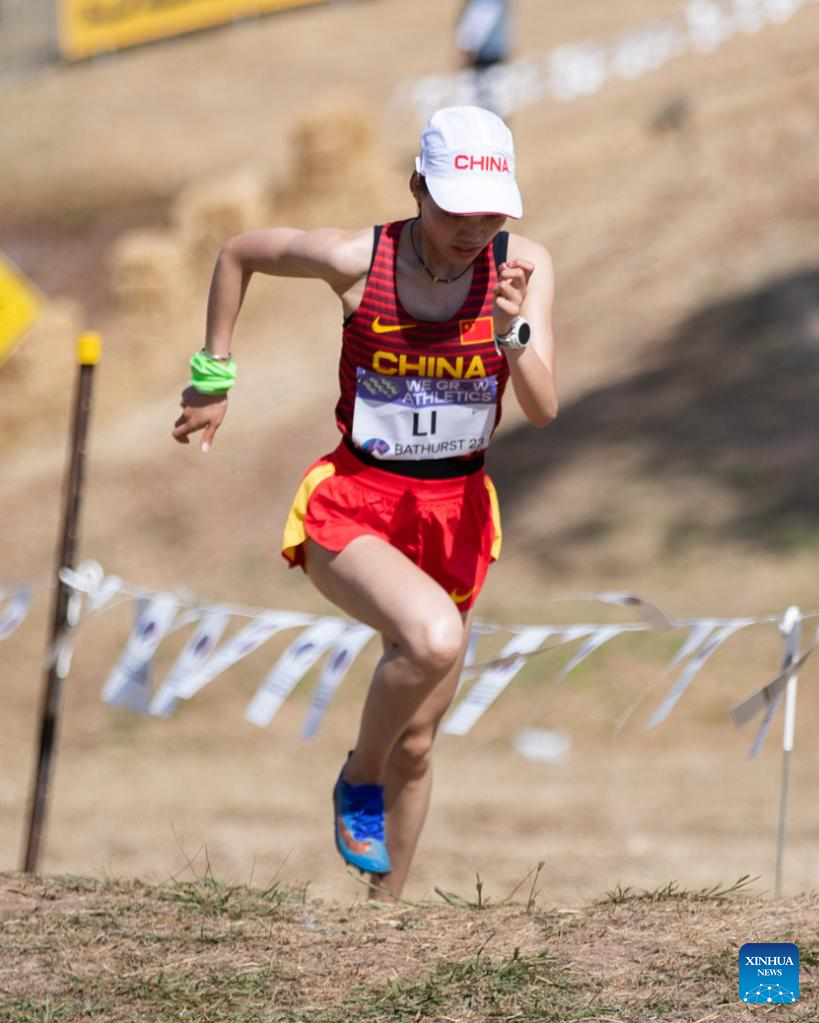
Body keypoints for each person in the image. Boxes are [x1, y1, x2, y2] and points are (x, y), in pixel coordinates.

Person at [172, 105, 558, 902]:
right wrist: (214, 376)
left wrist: (513, 332)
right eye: (454, 209)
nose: (471, 229)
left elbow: (545, 408)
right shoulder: (357, 258)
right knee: (431, 635)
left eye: (489, 213)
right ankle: (358, 776)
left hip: (455, 515)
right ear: (417, 187)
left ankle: (385, 925)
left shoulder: (522, 266)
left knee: (419, 740)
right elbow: (238, 251)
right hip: (354, 507)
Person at [455, 0, 512, 113]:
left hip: (486, 54)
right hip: (492, 51)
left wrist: (468, 45)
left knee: (486, 104)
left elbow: (483, 16)